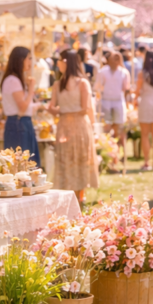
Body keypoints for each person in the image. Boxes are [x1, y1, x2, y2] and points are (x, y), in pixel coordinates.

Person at [49, 50, 99, 202]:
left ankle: (73, 196)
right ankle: (78, 196)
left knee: (69, 158)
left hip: (66, 124)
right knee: (78, 158)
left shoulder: (60, 84)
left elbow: (52, 108)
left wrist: (63, 110)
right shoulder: (79, 83)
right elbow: (86, 108)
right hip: (77, 124)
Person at [1, 46, 39, 163]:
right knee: (22, 164)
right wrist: (31, 89)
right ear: (20, 59)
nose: (30, 62)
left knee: (25, 163)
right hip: (19, 125)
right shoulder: (13, 80)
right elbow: (22, 107)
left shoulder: (15, 79)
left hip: (20, 124)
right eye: (28, 58)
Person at [95, 51, 131, 169]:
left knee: (119, 131)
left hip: (118, 102)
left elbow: (126, 88)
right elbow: (98, 87)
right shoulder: (103, 71)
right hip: (106, 102)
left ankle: (118, 156)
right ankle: (108, 156)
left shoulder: (123, 72)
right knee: (106, 130)